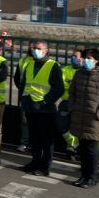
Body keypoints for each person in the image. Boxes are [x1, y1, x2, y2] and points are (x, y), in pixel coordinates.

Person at [67, 48, 99, 188]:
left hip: (93, 120)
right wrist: (72, 107)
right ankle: (83, 176)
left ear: (96, 60)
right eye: (85, 58)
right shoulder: (79, 74)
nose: (86, 61)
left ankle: (91, 178)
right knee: (82, 149)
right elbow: (72, 93)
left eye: (89, 58)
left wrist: (98, 115)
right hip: (79, 117)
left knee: (91, 150)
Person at [16, 40, 64, 176]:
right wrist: (23, 100)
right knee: (34, 138)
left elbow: (59, 89)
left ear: (46, 51)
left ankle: (45, 167)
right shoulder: (30, 64)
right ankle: (35, 162)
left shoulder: (53, 66)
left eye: (38, 48)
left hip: (45, 110)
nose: (35, 51)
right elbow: (23, 84)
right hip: (31, 108)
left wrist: (45, 101)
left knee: (46, 140)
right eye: (33, 48)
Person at [58, 50, 83, 158]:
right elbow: (62, 85)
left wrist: (70, 85)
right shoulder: (65, 70)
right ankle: (75, 145)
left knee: (76, 127)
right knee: (61, 124)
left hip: (79, 104)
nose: (73, 58)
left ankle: (71, 150)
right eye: (72, 55)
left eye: (76, 56)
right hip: (66, 102)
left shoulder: (83, 71)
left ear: (81, 59)